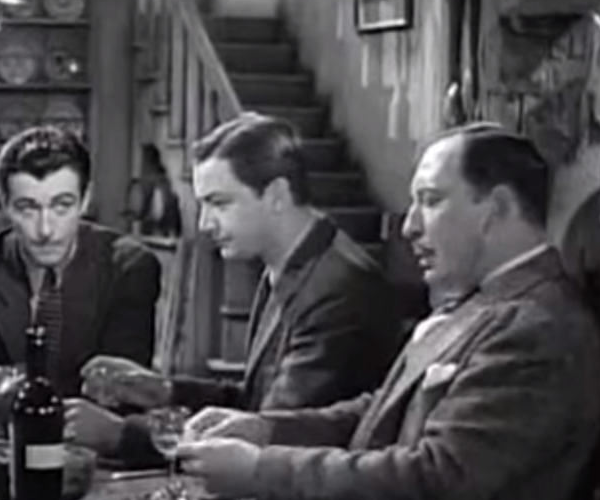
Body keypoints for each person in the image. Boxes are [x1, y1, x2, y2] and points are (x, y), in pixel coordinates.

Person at [176, 123, 600, 500]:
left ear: (498, 207)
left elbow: (435, 478)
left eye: (431, 200)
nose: (409, 227)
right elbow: (380, 412)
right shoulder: (478, 303)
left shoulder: (538, 327)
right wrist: (265, 430)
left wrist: (260, 471)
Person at [69, 113, 402, 464]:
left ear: (276, 195)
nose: (204, 224)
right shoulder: (293, 263)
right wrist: (163, 390)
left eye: (219, 203)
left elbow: (272, 436)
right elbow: (255, 402)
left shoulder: (336, 289)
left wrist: (120, 434)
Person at [0, 125, 161, 399]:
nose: (45, 230)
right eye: (28, 208)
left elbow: (126, 391)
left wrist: (25, 393)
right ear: (5, 204)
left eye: (62, 206)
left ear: (85, 200)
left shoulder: (128, 268)